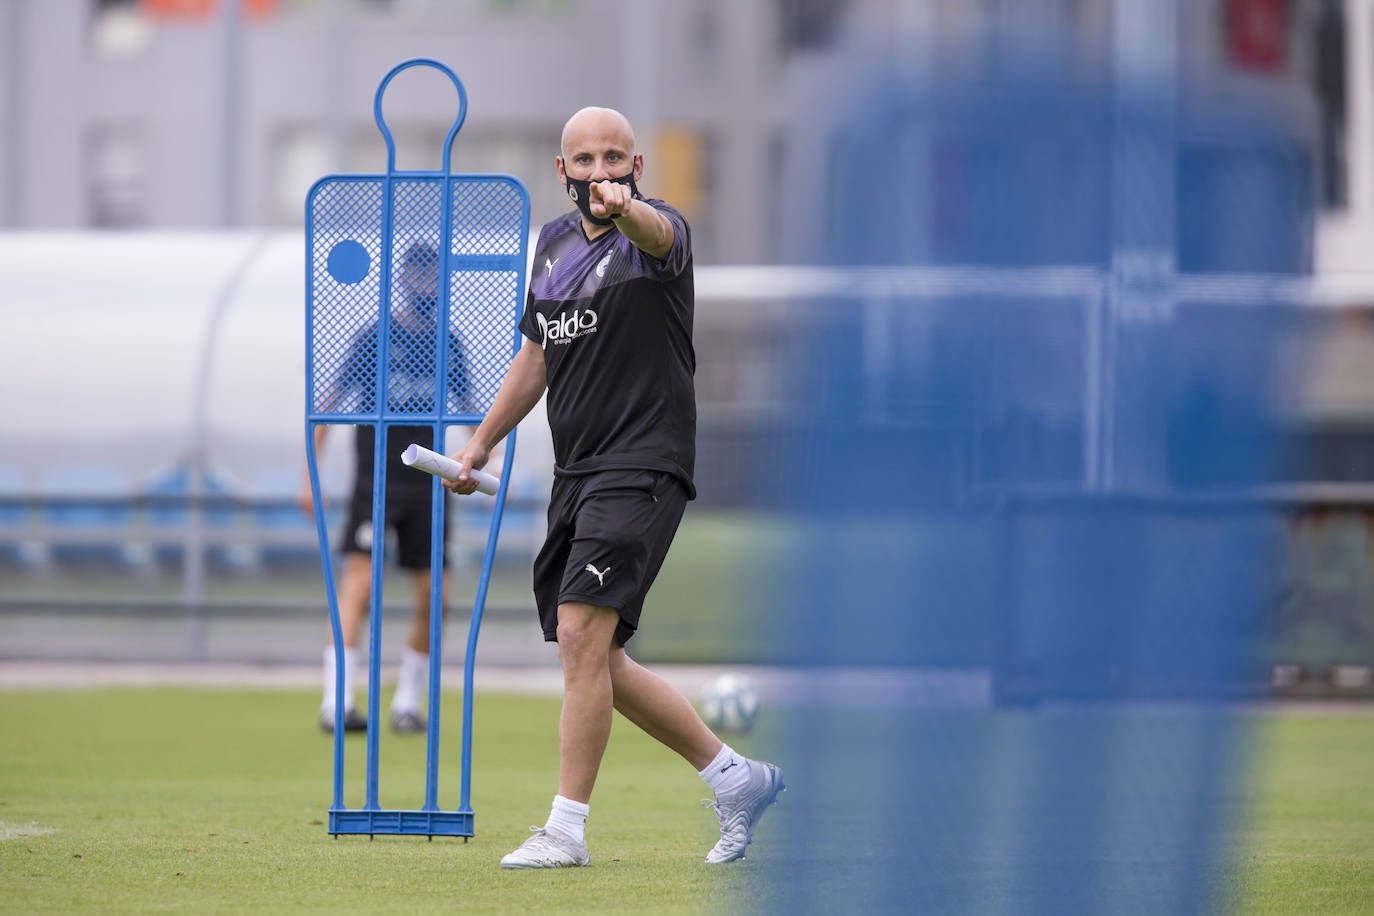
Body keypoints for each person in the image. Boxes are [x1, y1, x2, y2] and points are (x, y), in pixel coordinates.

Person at [444, 106, 783, 868]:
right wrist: (479, 442)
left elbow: (655, 237)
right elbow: (535, 355)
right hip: (577, 472)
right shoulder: (553, 244)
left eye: (614, 159)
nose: (600, 171)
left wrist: (630, 212)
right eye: (585, 160)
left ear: (637, 167)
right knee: (593, 657)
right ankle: (737, 778)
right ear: (561, 171)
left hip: (643, 462)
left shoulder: (660, 233)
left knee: (580, 634)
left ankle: (565, 830)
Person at [301, 240, 467, 735]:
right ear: (403, 278)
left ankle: (408, 703)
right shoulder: (374, 338)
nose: (425, 285)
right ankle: (337, 701)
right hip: (375, 483)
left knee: (435, 595)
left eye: (433, 275)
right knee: (360, 584)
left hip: (428, 485)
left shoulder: (448, 344)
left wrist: (486, 458)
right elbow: (327, 407)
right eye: (418, 275)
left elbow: (476, 414)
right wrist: (310, 475)